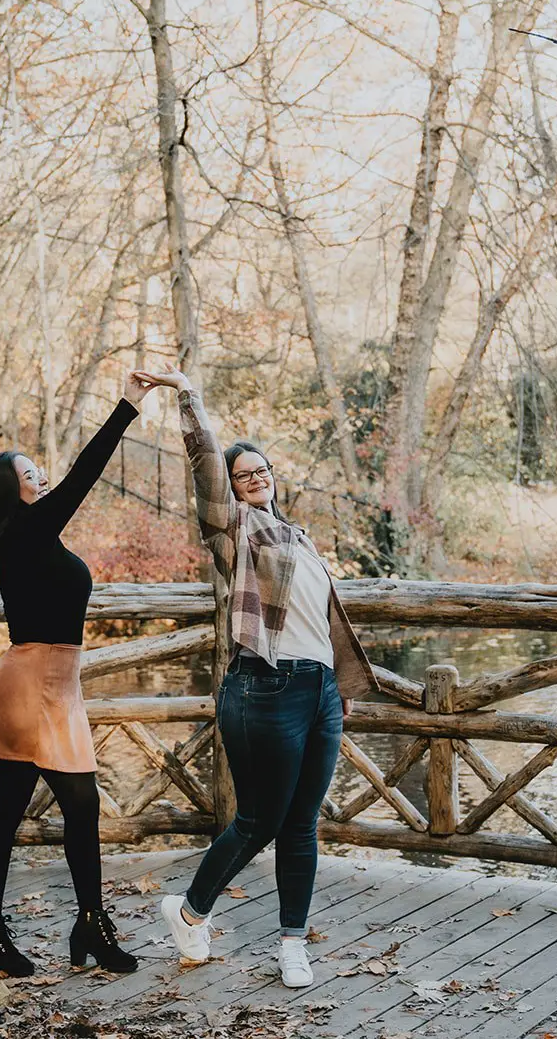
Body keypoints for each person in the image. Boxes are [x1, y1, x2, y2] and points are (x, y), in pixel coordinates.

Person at [131, 369, 375, 990]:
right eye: (244, 474)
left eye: (263, 470)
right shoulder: (235, 530)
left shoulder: (298, 536)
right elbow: (205, 467)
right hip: (264, 689)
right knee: (259, 820)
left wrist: (339, 688)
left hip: (320, 693)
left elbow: (320, 621)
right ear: (233, 487)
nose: (257, 477)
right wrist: (188, 395)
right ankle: (191, 911)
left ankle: (292, 944)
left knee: (302, 825)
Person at [0, 371, 167, 977]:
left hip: (52, 686)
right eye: (30, 475)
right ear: (11, 493)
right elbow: (84, 474)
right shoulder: (26, 531)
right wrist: (127, 406)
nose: (42, 479)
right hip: (30, 689)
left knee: (32, 813)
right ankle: (66, 928)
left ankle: (62, 928)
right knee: (68, 806)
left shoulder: (30, 536)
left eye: (39, 472)